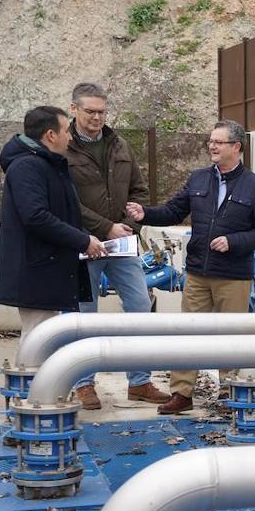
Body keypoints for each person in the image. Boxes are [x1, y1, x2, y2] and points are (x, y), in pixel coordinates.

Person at [126, 119, 255, 415]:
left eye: (219, 142)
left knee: (231, 337)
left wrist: (233, 241)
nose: (212, 146)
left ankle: (229, 392)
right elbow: (173, 211)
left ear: (236, 146)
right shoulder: (198, 179)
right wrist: (145, 214)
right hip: (197, 273)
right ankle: (182, 394)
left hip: (233, 276)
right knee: (188, 334)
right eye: (211, 141)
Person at [64, 82, 170, 410]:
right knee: (84, 315)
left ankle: (139, 382)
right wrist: (104, 228)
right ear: (74, 109)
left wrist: (128, 226)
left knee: (139, 307)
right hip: (84, 243)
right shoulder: (64, 148)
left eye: (102, 111)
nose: (97, 117)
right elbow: (66, 200)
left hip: (122, 243)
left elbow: (139, 190)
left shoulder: (119, 145)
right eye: (90, 111)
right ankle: (83, 384)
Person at [0, 106, 106, 351]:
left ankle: (36, 377)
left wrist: (83, 237)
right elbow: (36, 217)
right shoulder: (28, 167)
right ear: (50, 135)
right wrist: (83, 241)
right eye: (66, 131)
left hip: (47, 269)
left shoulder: (48, 165)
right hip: (37, 272)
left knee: (44, 338)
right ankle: (30, 378)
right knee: (38, 339)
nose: (70, 137)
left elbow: (59, 214)